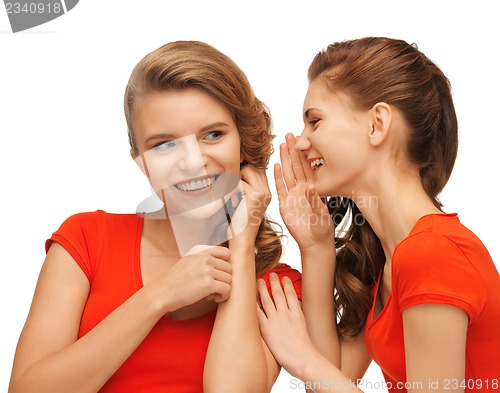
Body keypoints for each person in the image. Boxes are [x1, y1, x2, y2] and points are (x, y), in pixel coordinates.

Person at [8, 40, 301, 393]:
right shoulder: (87, 238)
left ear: (243, 142)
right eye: (164, 144)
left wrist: (241, 245)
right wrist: (158, 296)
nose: (193, 162)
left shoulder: (276, 288)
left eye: (213, 134)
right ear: (139, 160)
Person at [257, 37, 500, 392]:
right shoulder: (391, 258)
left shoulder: (432, 254)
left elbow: (318, 373)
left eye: (315, 121)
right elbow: (332, 378)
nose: (302, 141)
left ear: (377, 124)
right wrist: (317, 248)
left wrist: (301, 357)